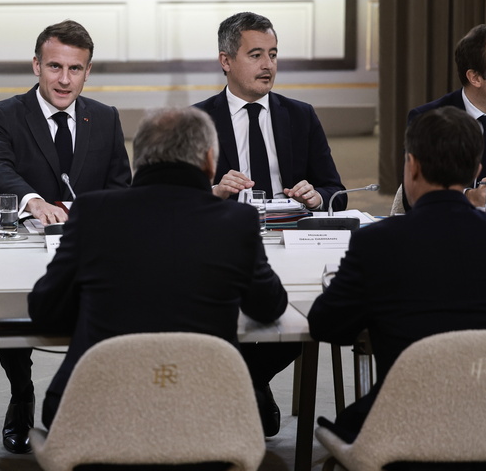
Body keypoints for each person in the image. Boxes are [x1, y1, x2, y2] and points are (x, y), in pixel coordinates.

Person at [28, 107, 290, 437]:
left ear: (138, 160)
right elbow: (269, 307)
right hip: (208, 416)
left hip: (94, 415)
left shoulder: (93, 213)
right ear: (210, 161)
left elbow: (45, 310)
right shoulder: (236, 222)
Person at [309, 106, 486, 444]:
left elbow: (326, 326)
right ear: (476, 170)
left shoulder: (376, 243)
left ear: (411, 167)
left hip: (402, 432)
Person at [0, 19, 132, 453]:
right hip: (23, 250)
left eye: (76, 69)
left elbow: (121, 185)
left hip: (88, 251)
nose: (65, 80)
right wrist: (32, 200)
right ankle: (22, 394)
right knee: (9, 299)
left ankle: (84, 401)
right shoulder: (4, 113)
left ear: (87, 72)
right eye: (54, 67)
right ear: (36, 66)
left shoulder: (104, 118)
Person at [193, 12, 346, 210]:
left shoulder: (301, 115)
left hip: (290, 229)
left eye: (272, 55)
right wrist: (215, 192)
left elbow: (336, 191)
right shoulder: (196, 121)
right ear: (226, 61)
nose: (268, 65)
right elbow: (175, 197)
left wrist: (316, 198)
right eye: (256, 55)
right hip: (227, 228)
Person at [403, 23, 486, 210]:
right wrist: (468, 197)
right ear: (475, 78)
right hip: (450, 233)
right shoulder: (428, 119)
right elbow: (412, 199)